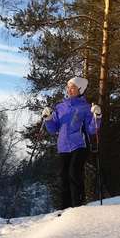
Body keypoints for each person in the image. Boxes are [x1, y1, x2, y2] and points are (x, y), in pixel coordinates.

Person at [42, 76, 102, 209]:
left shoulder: (86, 107)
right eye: (68, 87)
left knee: (74, 173)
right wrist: (49, 118)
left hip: (79, 145)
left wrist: (97, 116)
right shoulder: (60, 107)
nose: (69, 90)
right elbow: (53, 129)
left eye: (73, 87)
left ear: (80, 89)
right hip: (63, 146)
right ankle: (65, 210)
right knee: (64, 177)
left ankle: (78, 207)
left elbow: (92, 130)